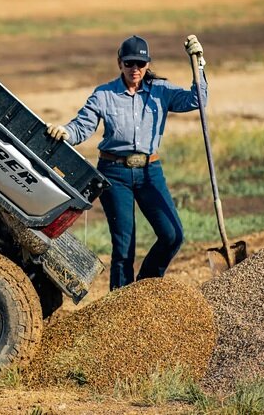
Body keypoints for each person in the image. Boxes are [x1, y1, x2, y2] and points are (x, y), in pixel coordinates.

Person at [46, 34, 207, 290]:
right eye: (130, 63)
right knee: (124, 247)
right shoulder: (104, 95)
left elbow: (197, 100)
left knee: (173, 235)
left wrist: (198, 64)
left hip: (150, 172)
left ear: (147, 64)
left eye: (141, 64)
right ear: (119, 63)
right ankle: (120, 304)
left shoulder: (161, 91)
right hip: (114, 173)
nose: (135, 69)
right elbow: (82, 127)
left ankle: (144, 290)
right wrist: (65, 132)